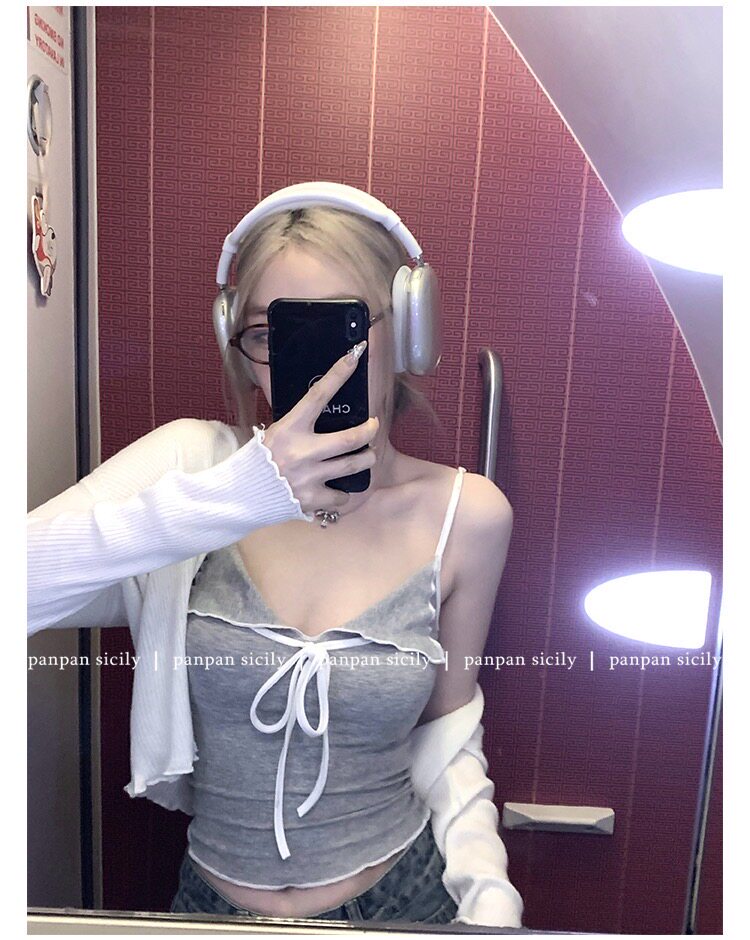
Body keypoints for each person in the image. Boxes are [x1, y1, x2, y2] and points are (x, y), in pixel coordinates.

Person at [27, 187, 524, 927]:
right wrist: (242, 495)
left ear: (408, 330)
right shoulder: (195, 470)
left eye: (340, 328)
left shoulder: (468, 515)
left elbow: (447, 730)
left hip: (402, 901)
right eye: (271, 333)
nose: (314, 366)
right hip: (212, 907)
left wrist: (487, 897)